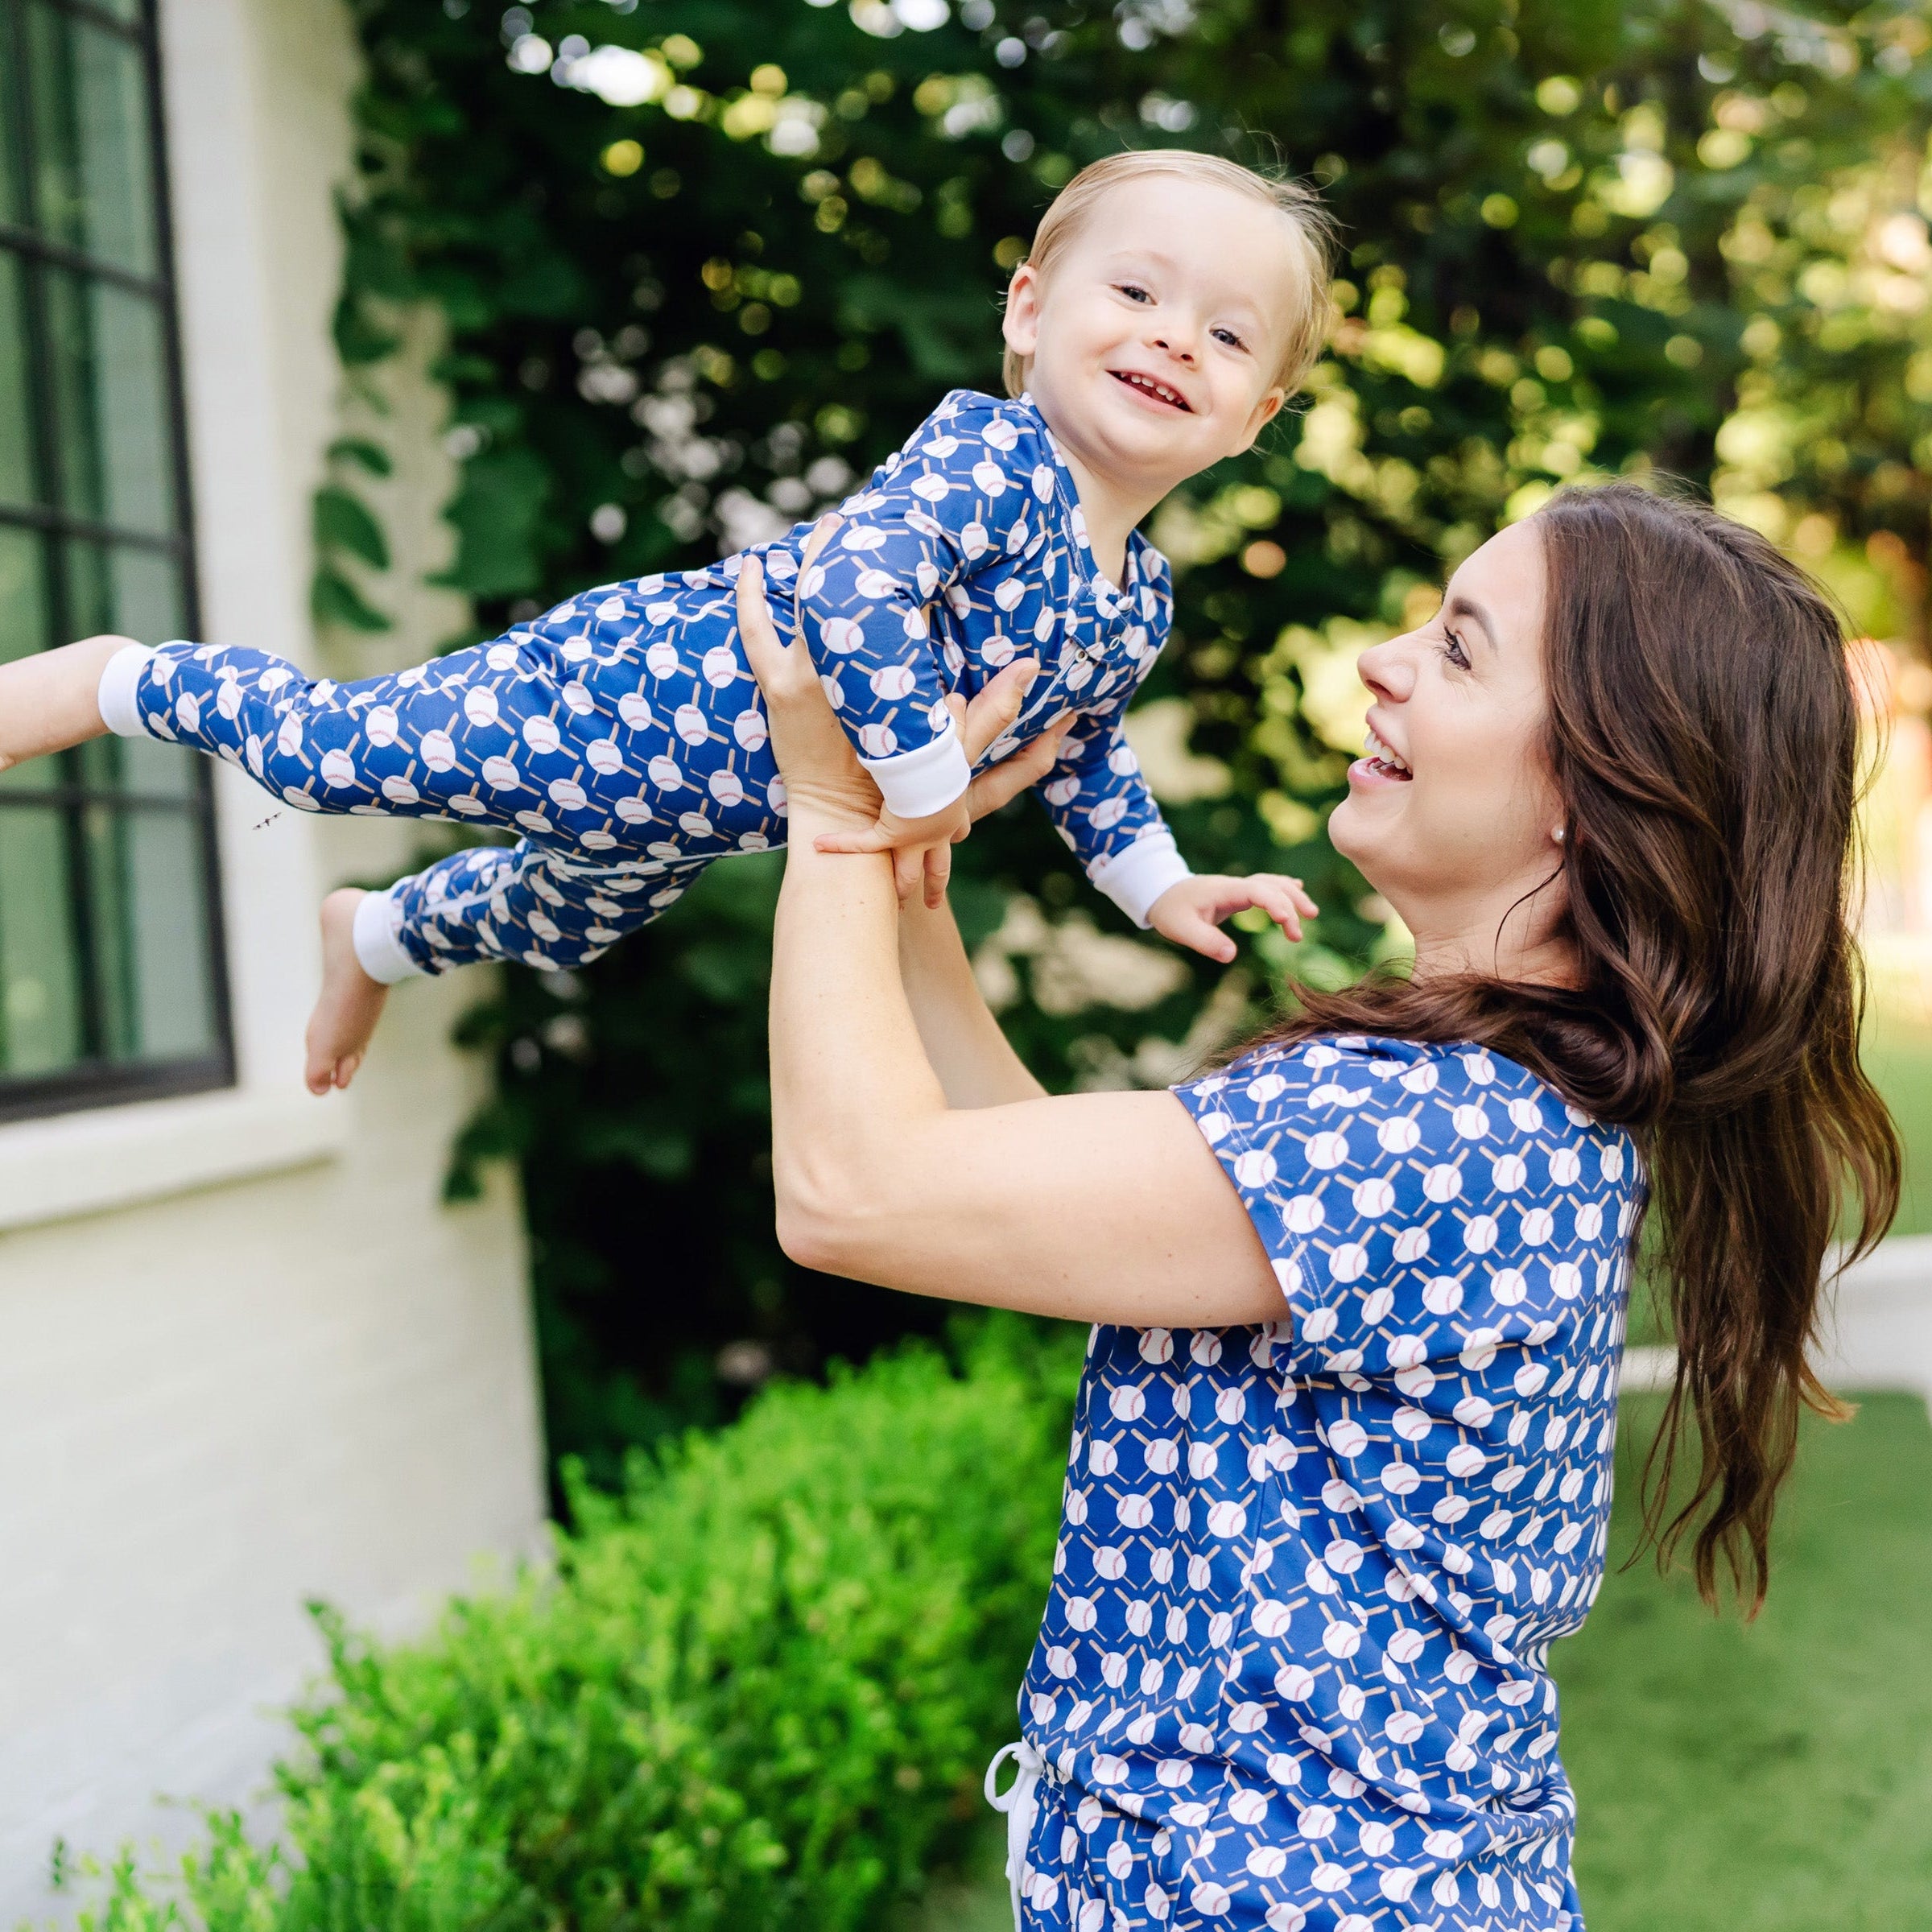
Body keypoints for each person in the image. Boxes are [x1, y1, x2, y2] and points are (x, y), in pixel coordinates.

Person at [733, 479, 1899, 1931]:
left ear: (1592, 799)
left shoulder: (1428, 1130)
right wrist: (908, 857)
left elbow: (853, 1195)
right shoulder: (1484, 1104)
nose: (1385, 661)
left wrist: (836, 817)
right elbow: (1012, 1170)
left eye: (1462, 650)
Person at [0, 149, 1331, 1096]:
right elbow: (858, 592)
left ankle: (371, 937)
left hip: (700, 814)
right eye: (1139, 295)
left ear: (1255, 417)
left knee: (566, 919)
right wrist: (926, 784)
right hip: (621, 689)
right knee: (324, 758)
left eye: (1226, 336)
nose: (1173, 342)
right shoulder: (994, 460)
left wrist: (1160, 886)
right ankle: (117, 677)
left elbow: (1086, 756)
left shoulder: (1136, 604)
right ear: (1031, 311)